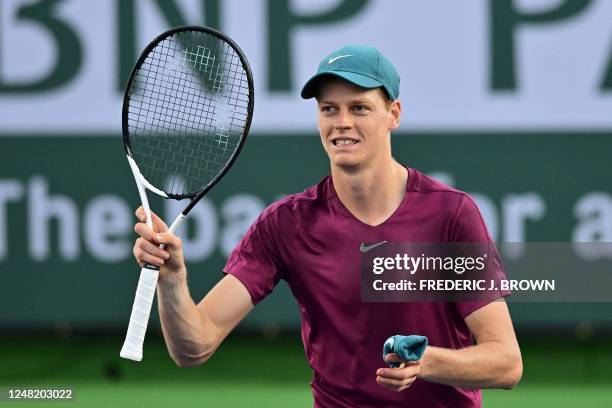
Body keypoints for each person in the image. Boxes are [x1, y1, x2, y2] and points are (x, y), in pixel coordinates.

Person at [132, 44, 522, 407]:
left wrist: (427, 361)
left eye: (360, 108)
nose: (342, 123)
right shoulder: (285, 225)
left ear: (394, 115)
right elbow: (194, 347)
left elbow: (506, 363)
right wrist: (172, 280)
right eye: (329, 109)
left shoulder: (450, 214)